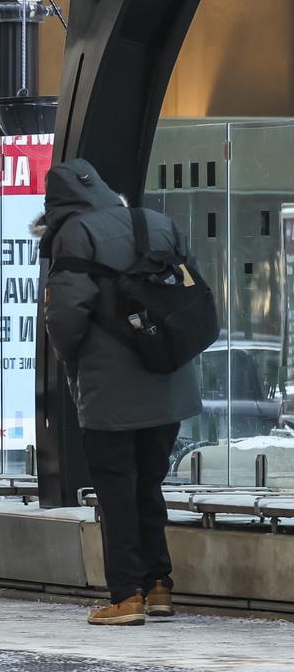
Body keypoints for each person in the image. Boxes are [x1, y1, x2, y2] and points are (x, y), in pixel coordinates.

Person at [38, 159, 201, 626]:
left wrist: (71, 359)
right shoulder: (155, 222)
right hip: (168, 380)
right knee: (149, 485)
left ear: (58, 203)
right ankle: (159, 586)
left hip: (111, 387)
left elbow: (66, 314)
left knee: (116, 490)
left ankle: (126, 595)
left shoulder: (74, 234)